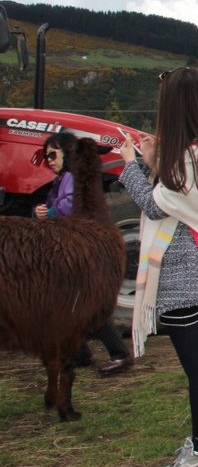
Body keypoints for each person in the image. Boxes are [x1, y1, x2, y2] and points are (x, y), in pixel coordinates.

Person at [118, 67, 198, 467]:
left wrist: (130, 164)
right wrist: (152, 161)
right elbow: (170, 199)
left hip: (184, 272)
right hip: (195, 271)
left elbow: (154, 205)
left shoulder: (192, 157)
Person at [35, 131, 134, 376]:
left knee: (86, 307)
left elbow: (70, 205)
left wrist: (50, 213)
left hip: (79, 250)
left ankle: (120, 354)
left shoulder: (71, 178)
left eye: (52, 154)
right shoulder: (64, 179)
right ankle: (80, 353)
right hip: (72, 248)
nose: (48, 160)